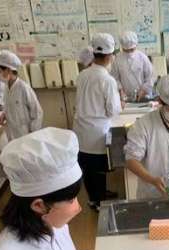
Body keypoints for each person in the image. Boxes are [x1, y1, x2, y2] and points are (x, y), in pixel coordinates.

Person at [73, 33, 121, 210]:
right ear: (109, 56)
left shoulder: (83, 74)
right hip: (97, 130)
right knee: (99, 168)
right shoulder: (107, 80)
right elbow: (113, 110)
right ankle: (99, 202)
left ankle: (95, 198)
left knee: (88, 167)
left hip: (81, 129)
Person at [0, 49, 43, 140]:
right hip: (12, 136)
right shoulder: (6, 87)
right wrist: (4, 115)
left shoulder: (23, 88)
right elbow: (11, 107)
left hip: (26, 135)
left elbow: (37, 113)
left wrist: (33, 135)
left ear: (8, 70)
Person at [111, 31, 153, 102]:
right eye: (126, 50)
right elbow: (115, 78)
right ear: (122, 48)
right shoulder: (117, 59)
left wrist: (144, 90)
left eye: (131, 50)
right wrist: (121, 90)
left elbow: (150, 77)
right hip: (125, 97)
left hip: (144, 96)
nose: (129, 53)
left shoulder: (142, 58)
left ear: (136, 46)